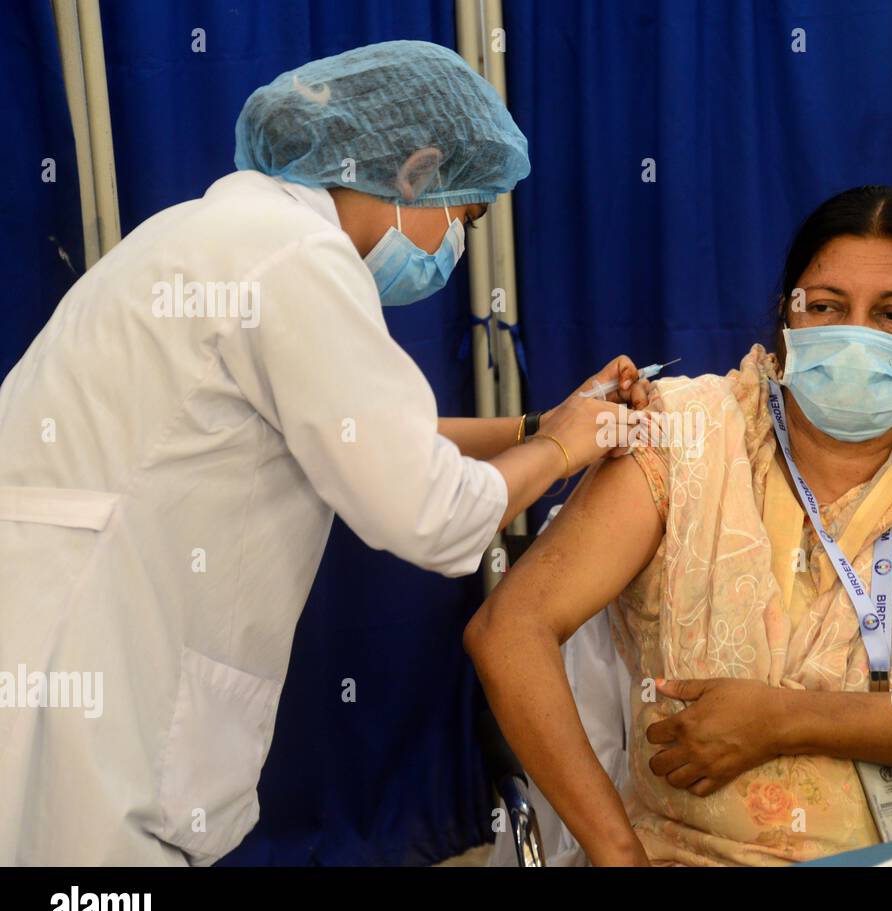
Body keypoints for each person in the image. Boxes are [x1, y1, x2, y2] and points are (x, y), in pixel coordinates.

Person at [0, 40, 644, 865]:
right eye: (466, 216)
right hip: (92, 671)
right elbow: (432, 516)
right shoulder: (300, 259)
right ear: (415, 171)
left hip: (58, 629)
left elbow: (353, 441)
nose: (454, 247)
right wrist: (564, 447)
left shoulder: (214, 234)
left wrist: (535, 427)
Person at [466, 186, 892, 866]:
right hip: (699, 853)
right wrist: (615, 852)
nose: (857, 336)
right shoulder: (689, 435)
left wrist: (783, 721)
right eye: (827, 307)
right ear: (785, 318)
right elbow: (511, 628)